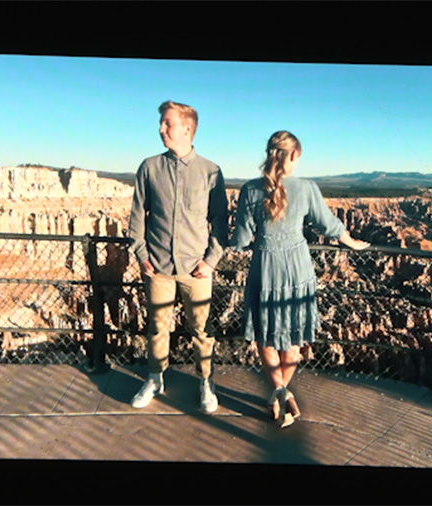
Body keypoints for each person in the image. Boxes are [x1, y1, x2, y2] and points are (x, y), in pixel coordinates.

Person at [230, 130, 369, 427]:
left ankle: (278, 391)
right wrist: (351, 242)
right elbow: (328, 225)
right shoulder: (307, 188)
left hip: (265, 267)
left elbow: (241, 239)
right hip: (298, 268)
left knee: (266, 333)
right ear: (294, 155)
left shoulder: (250, 190)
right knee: (294, 335)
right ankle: (282, 393)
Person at [127, 100, 228, 414]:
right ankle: (155, 378)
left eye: (167, 123)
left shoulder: (210, 171)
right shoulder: (149, 168)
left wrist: (211, 261)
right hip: (157, 266)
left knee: (202, 329)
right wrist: (141, 253)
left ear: (187, 128)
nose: (161, 129)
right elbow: (137, 215)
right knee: (157, 327)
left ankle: (206, 382)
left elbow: (221, 220)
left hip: (196, 268)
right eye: (161, 123)